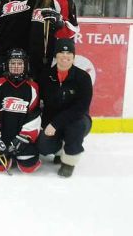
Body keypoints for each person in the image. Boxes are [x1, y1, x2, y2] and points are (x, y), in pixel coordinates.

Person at [37, 39, 92, 177]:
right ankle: (59, 150)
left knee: (75, 128)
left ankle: (69, 162)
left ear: (73, 56)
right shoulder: (46, 76)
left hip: (77, 119)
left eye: (69, 53)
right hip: (52, 119)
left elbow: (80, 108)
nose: (65, 56)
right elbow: (40, 102)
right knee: (43, 145)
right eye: (61, 52)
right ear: (56, 56)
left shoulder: (83, 77)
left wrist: (55, 124)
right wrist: (44, 124)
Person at [0, 48, 41, 173]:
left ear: (25, 66)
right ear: (6, 65)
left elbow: (34, 114)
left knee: (28, 165)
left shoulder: (33, 87)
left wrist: (25, 137)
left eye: (19, 64)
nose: (16, 67)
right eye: (12, 63)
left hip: (21, 138)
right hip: (1, 137)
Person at [27, 0, 79, 82]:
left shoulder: (61, 0)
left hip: (51, 57)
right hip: (34, 55)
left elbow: (73, 30)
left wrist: (60, 24)